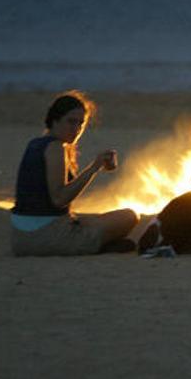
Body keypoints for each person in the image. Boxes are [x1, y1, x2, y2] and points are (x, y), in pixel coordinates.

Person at [11, 91, 138, 256]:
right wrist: (94, 167)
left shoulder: (35, 144)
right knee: (129, 216)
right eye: (71, 122)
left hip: (20, 238)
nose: (76, 129)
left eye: (81, 124)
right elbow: (59, 200)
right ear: (54, 120)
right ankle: (98, 246)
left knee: (91, 220)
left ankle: (101, 244)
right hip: (46, 238)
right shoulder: (55, 147)